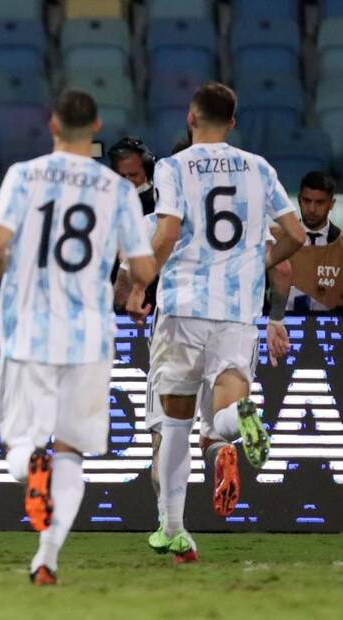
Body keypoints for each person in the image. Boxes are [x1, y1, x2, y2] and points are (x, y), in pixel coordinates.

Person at [125, 82, 306, 564]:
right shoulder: (259, 168)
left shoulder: (173, 167)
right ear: (233, 120)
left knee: (176, 426)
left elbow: (165, 233)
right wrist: (262, 258)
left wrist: (142, 282)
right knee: (225, 406)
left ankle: (174, 530)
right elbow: (295, 236)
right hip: (237, 312)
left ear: (190, 117)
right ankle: (241, 418)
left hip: (183, 307)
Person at [0, 89, 157, 586]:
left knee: (20, 443)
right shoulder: (119, 191)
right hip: (88, 336)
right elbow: (143, 265)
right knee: (72, 452)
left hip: (28, 328)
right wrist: (130, 274)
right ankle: (47, 558)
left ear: (52, 123)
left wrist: (6, 269)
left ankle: (28, 461)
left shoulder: (23, 175)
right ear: (96, 125)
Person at [114, 216, 292, 551]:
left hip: (179, 327)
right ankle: (234, 427)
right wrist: (277, 319)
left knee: (167, 437)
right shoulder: (248, 212)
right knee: (215, 431)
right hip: (235, 327)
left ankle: (171, 528)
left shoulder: (160, 218)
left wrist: (126, 299)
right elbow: (282, 271)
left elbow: (128, 275)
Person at [286, 171, 340, 311]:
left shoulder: (340, 244)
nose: (311, 209)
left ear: (331, 203)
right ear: (299, 200)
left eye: (320, 202)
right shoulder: (280, 240)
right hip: (283, 326)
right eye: (306, 201)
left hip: (332, 327)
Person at [108, 137, 157, 214]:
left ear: (148, 171)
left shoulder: (159, 204)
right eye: (122, 176)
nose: (127, 181)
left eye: (133, 175)